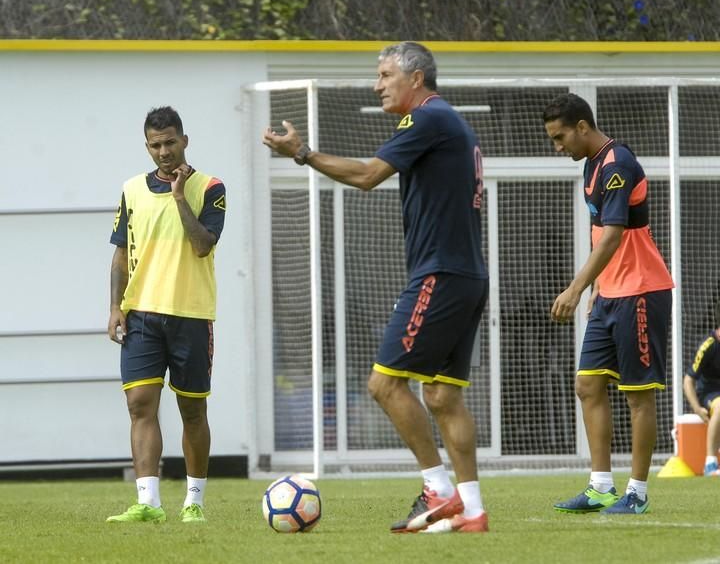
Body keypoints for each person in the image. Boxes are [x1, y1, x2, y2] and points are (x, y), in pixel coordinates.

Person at [262, 41, 489, 534]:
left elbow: (367, 175)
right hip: (468, 274)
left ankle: (438, 489)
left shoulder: (426, 118)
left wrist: (302, 152)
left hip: (440, 274)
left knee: (384, 384)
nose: (377, 84)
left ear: (416, 79)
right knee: (444, 398)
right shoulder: (451, 121)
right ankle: (472, 511)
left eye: (385, 74)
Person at [543, 93, 674, 515]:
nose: (557, 147)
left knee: (638, 395)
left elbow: (616, 233)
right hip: (610, 292)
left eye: (560, 137)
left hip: (640, 290)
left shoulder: (616, 163)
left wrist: (576, 286)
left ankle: (636, 492)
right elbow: (602, 236)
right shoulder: (591, 165)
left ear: (582, 126)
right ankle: (600, 486)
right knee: (587, 383)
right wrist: (598, 286)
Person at [106, 106, 226, 523]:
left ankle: (193, 501)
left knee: (192, 410)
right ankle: (148, 503)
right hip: (140, 315)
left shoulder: (210, 187)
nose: (164, 152)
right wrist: (115, 309)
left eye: (170, 142)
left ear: (185, 141)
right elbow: (121, 254)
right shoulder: (131, 189)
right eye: (156, 145)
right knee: (140, 404)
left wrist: (179, 198)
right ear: (147, 147)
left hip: (191, 315)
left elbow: (201, 245)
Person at [683, 301, 720, 476]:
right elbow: (688, 380)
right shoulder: (709, 345)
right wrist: (697, 408)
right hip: (710, 393)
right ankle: (710, 463)